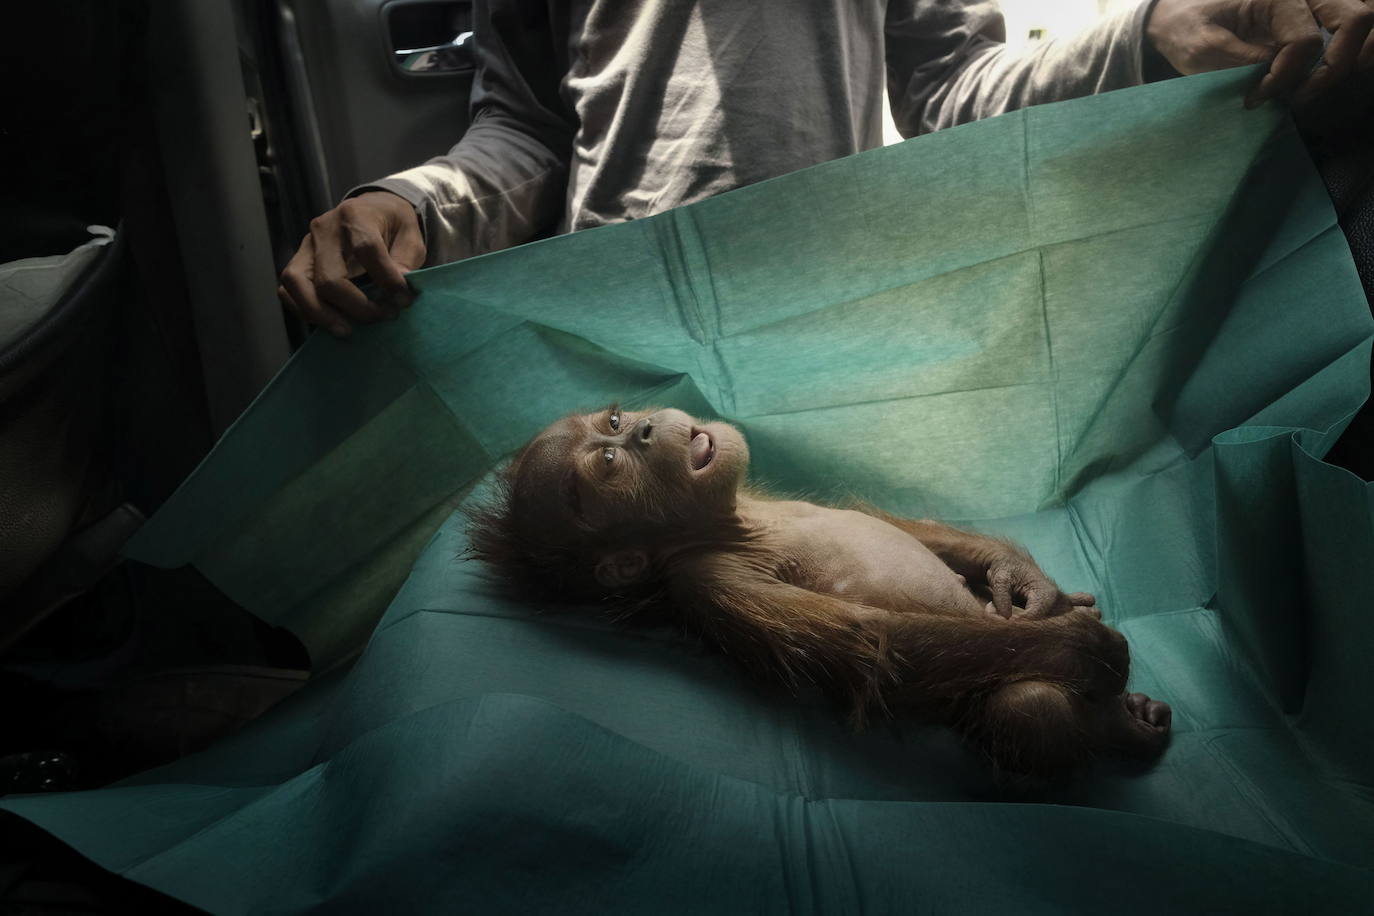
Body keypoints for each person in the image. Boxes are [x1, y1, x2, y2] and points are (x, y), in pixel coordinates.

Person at [278, 0, 1374, 338]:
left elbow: (952, 87)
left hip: (830, 329)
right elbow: (524, 131)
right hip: (605, 328)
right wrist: (411, 202)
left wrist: (1148, 37)